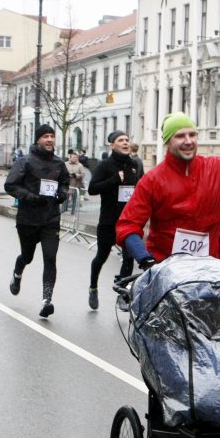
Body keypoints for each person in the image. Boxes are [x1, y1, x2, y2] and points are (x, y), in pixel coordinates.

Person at [116, 112, 220, 273]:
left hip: (206, 272)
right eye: (180, 136)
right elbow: (128, 225)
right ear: (167, 141)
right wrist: (145, 259)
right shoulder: (152, 180)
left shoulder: (217, 169)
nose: (188, 141)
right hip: (166, 272)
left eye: (192, 135)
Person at [4, 124, 70, 318]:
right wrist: (30, 197)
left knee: (50, 258)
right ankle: (17, 274)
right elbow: (10, 185)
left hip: (50, 219)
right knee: (28, 257)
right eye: (45, 137)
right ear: (38, 140)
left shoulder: (59, 163)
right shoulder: (25, 162)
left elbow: (65, 183)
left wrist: (62, 194)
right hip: (28, 219)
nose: (50, 140)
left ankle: (46, 300)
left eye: (52, 136)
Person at [86, 130, 141, 310]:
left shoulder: (134, 165)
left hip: (128, 221)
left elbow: (141, 188)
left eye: (127, 139)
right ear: (112, 145)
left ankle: (123, 293)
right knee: (101, 256)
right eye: (120, 140)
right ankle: (93, 287)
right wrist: (115, 180)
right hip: (109, 220)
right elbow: (92, 189)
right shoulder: (105, 165)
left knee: (128, 257)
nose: (125, 143)